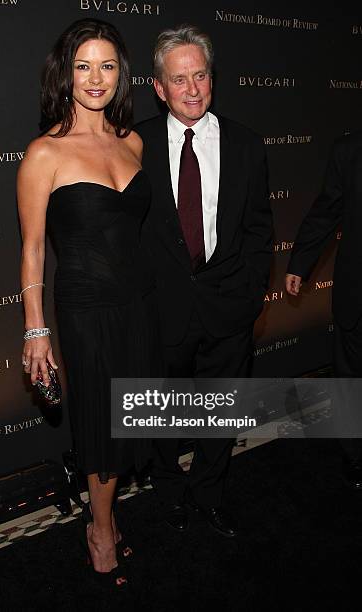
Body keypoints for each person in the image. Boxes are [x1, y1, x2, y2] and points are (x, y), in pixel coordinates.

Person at [17, 18, 160, 587]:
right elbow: (30, 252)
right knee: (103, 423)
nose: (95, 78)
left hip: (139, 303)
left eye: (107, 65)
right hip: (86, 308)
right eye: (83, 65)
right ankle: (100, 530)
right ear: (65, 73)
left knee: (132, 418)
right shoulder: (44, 153)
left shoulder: (133, 142)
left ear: (121, 73)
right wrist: (35, 330)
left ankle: (108, 514)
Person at [135, 25, 273, 534]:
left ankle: (210, 492)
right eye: (179, 80)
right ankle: (169, 492)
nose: (192, 90)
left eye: (200, 76)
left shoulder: (247, 144)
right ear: (158, 86)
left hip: (229, 306)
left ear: (212, 77)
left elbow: (260, 227)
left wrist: (252, 292)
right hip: (161, 308)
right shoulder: (134, 145)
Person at [286, 130, 362, 490]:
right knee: (349, 380)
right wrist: (300, 263)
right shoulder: (348, 149)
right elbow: (326, 210)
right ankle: (355, 456)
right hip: (356, 292)